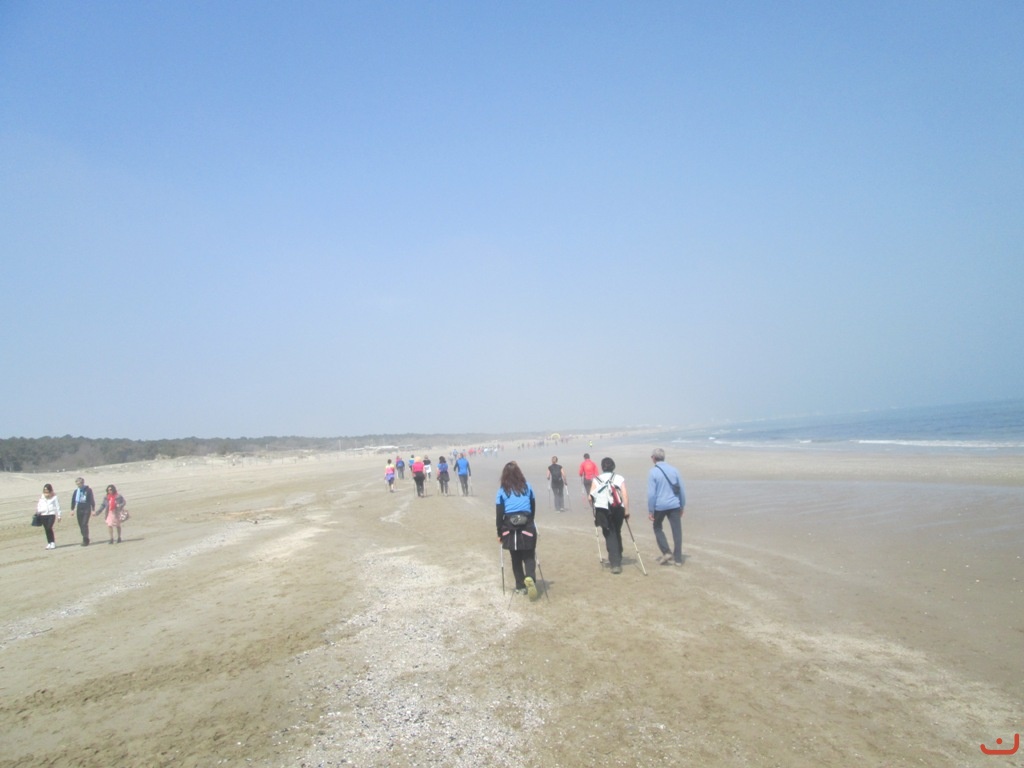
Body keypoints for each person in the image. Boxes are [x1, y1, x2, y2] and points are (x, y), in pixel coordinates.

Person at [495, 461, 539, 599]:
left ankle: (520, 586)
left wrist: (499, 533)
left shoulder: (502, 490)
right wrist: (530, 522)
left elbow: (499, 514)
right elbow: (532, 506)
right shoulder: (528, 487)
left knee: (515, 557)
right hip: (527, 524)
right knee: (529, 555)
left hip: (509, 526)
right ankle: (530, 577)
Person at [589, 458, 629, 573]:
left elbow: (590, 497)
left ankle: (615, 563)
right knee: (617, 531)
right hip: (618, 508)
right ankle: (618, 554)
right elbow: (624, 495)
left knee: (609, 534)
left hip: (603, 510)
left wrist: (594, 508)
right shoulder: (619, 478)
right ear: (613, 466)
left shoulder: (597, 479)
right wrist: (627, 511)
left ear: (602, 467)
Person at [647, 448, 686, 566]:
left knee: (657, 527)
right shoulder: (674, 470)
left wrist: (651, 510)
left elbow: (651, 494)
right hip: (674, 504)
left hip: (660, 506)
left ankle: (666, 551)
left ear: (654, 458)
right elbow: (682, 490)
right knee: (677, 531)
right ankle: (678, 559)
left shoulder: (653, 472)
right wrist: (682, 505)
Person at [69, 476, 96, 546]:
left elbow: (91, 499)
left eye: (79, 484)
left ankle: (85, 539)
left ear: (82, 483)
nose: (78, 485)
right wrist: (72, 509)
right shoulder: (76, 491)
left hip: (86, 507)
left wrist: (93, 509)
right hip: (79, 507)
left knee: (84, 524)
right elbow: (73, 500)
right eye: (77, 484)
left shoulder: (88, 490)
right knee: (81, 525)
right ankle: (85, 537)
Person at [37, 483, 62, 549]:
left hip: (51, 514)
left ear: (50, 491)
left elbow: (57, 506)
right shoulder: (42, 497)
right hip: (43, 515)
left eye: (47, 491)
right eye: (45, 491)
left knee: (49, 527)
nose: (46, 493)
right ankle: (49, 543)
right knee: (46, 529)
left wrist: (59, 515)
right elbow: (39, 505)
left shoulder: (54, 497)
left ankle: (52, 542)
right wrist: (39, 511)